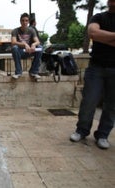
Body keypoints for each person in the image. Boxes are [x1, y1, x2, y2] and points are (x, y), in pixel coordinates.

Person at [70, 0, 115, 149]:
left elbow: (98, 35)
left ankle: (103, 135)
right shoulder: (99, 17)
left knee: (111, 105)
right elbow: (93, 33)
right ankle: (81, 130)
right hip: (96, 67)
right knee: (89, 101)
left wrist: (104, 38)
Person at [11, 13, 42, 79]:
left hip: (30, 51)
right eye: (23, 20)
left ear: (28, 21)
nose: (24, 22)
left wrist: (33, 44)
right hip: (20, 52)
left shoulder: (31, 30)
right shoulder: (15, 31)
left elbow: (38, 41)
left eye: (26, 20)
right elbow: (13, 42)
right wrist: (24, 44)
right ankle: (18, 72)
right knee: (14, 48)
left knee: (40, 47)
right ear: (20, 21)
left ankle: (34, 71)